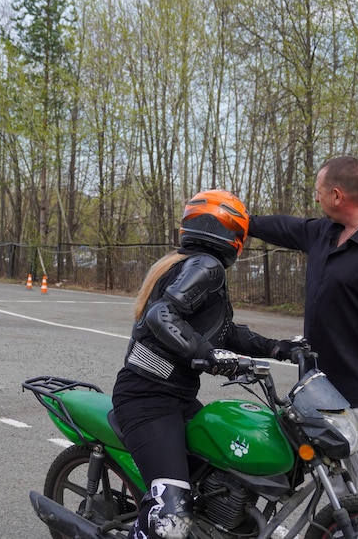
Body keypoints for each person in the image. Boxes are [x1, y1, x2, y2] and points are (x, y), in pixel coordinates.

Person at [112, 189, 300, 539]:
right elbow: (161, 315)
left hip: (173, 399)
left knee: (215, 483)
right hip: (148, 403)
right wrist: (206, 354)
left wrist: (279, 348)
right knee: (171, 518)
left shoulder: (187, 264)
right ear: (235, 235)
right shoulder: (206, 266)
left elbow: (225, 332)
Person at [248, 155, 358, 508]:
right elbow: (286, 228)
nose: (316, 198)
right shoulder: (327, 232)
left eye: (319, 191)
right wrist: (240, 220)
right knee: (340, 494)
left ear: (338, 195)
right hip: (321, 392)